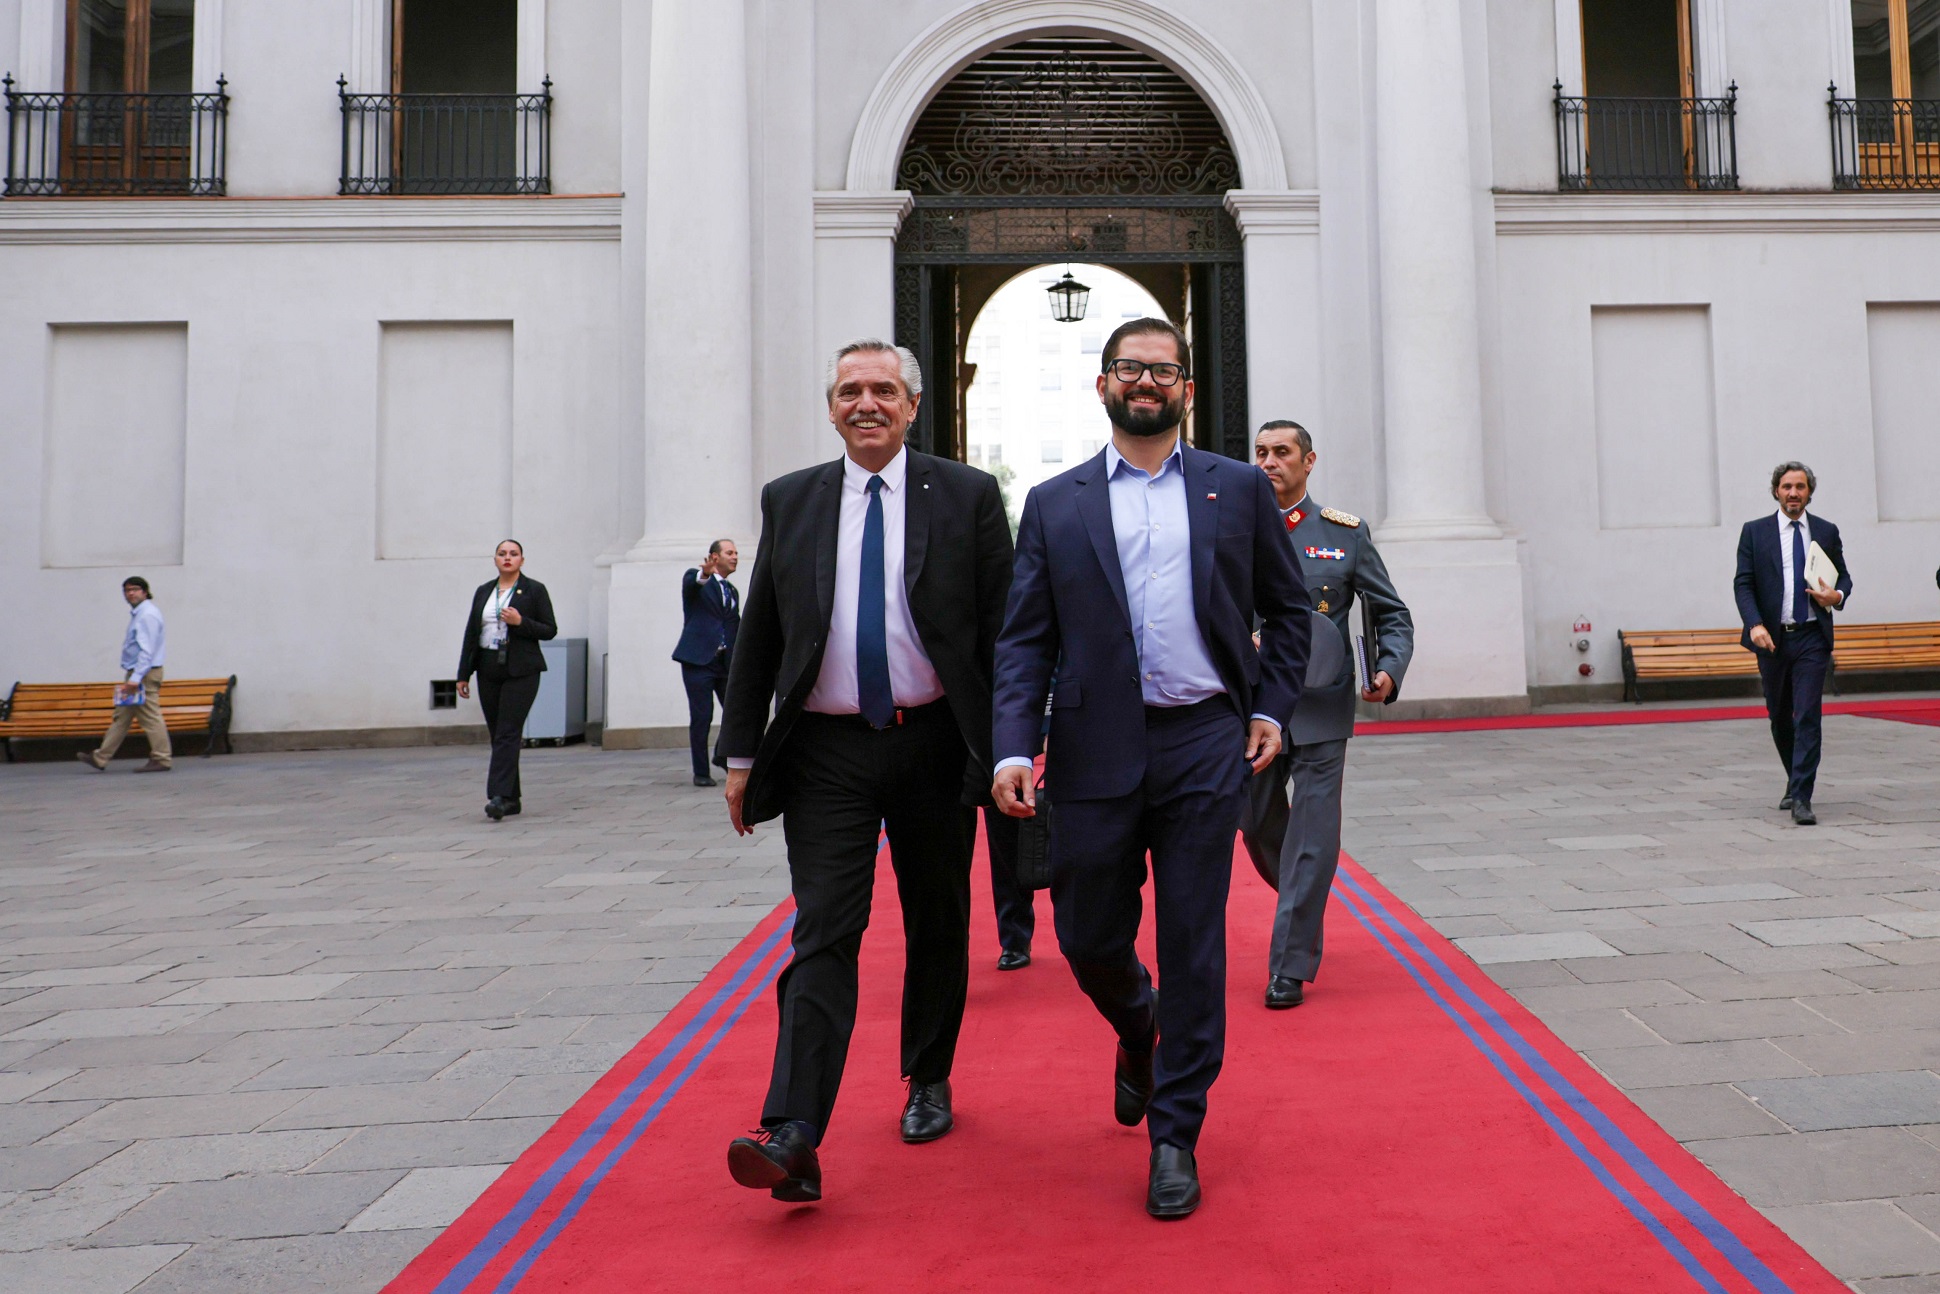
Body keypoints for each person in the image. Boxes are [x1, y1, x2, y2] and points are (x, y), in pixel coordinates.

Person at [992, 318, 1310, 1220]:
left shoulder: (1236, 490)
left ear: (1186, 389)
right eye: (1130, 369)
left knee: (1194, 942)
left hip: (1204, 742)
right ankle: (1140, 1028)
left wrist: (1268, 708)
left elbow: (1289, 614)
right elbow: (1025, 638)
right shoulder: (1055, 503)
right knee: (1086, 934)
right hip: (1092, 748)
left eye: (1162, 370)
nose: (1146, 382)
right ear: (1103, 385)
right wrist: (1016, 744)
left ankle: (1177, 1133)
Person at [719, 340, 1014, 1204]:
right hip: (826, 752)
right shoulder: (793, 499)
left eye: (884, 390)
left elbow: (1003, 631)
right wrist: (740, 758)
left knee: (936, 917)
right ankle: (795, 1128)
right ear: (831, 405)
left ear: (914, 405)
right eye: (851, 391)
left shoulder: (966, 496)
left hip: (932, 744)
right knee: (825, 930)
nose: (867, 404)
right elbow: (762, 635)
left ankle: (927, 1076)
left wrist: (1011, 745)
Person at [1242, 420, 1414, 1009]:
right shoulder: (1229, 528)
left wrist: (1388, 669)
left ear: (1308, 461)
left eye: (1282, 453)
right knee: (1261, 829)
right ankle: (1301, 894)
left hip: (1320, 708)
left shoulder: (1343, 534)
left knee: (1312, 839)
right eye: (1260, 452)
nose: (1269, 462)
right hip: (1250, 710)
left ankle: (1288, 965)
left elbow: (1392, 612)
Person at [1734, 462, 1852, 826]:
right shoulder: (1755, 533)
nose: (1793, 493)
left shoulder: (1826, 531)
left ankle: (1802, 796)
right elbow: (1744, 583)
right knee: (1780, 716)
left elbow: (1843, 576)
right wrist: (1753, 624)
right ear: (1776, 491)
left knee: (1808, 716)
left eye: (1800, 487)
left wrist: (1837, 595)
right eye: (1787, 486)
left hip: (1812, 636)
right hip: (1771, 640)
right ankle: (1793, 776)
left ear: (1809, 493)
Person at [456, 540, 558, 822]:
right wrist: (463, 674)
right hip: (489, 666)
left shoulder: (534, 590)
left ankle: (497, 796)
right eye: (502, 554)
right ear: (495, 560)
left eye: (513, 554)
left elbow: (549, 629)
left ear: (522, 560)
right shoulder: (484, 591)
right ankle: (512, 798)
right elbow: (471, 633)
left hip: (521, 669)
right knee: (497, 732)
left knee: (508, 732)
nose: (508, 558)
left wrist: (519, 622)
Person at [78, 576, 171, 773]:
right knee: (122, 716)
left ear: (145, 592)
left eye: (135, 589)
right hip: (138, 672)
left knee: (150, 716)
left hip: (143, 673)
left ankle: (162, 758)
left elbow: (147, 651)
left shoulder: (147, 615)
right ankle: (101, 757)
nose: (130, 593)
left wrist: (135, 679)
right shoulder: (141, 613)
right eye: (127, 590)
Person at [671, 539, 740, 787]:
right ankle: (701, 772)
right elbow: (693, 585)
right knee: (702, 715)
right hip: (698, 661)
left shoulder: (732, 591)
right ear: (714, 557)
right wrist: (704, 573)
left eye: (736, 553)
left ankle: (721, 756)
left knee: (736, 711)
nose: (735, 557)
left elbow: (735, 628)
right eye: (729, 553)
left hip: (724, 663)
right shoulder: (697, 579)